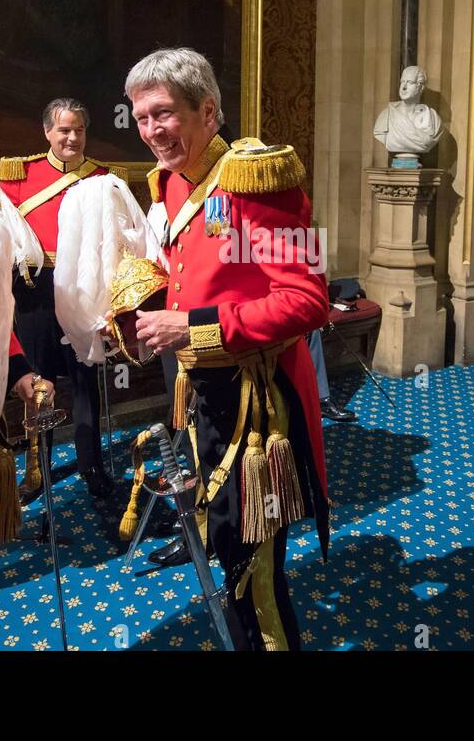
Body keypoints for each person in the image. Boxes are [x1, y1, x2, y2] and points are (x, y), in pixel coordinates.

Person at [128, 47, 330, 650]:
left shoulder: (258, 177)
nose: (152, 131)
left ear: (208, 110)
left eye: (163, 114)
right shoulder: (168, 183)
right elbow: (186, 271)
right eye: (141, 118)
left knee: (253, 569)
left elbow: (308, 301)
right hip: (198, 399)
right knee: (220, 539)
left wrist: (193, 327)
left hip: (257, 404)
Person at [0, 98, 121, 501]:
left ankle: (91, 465)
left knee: (86, 382)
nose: (72, 137)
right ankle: (37, 469)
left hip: (83, 289)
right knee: (40, 383)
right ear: (48, 132)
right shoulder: (19, 174)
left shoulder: (103, 177)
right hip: (35, 292)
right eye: (64, 130)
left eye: (79, 129)